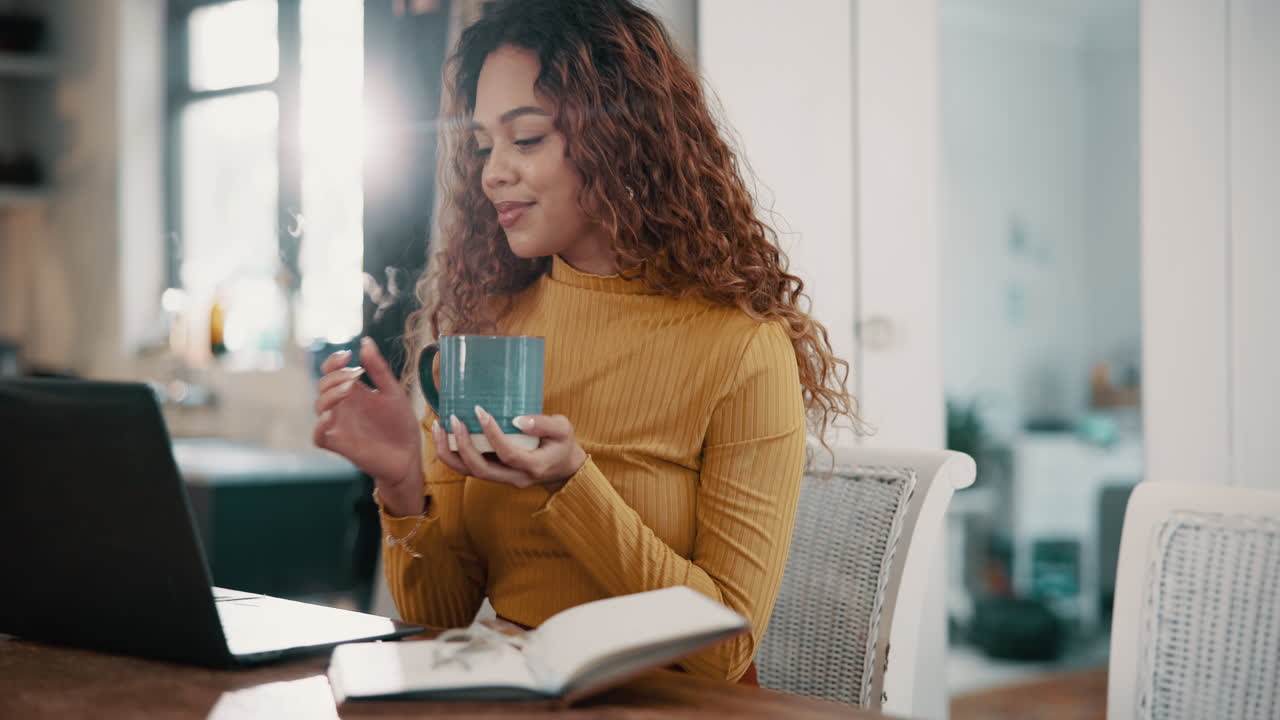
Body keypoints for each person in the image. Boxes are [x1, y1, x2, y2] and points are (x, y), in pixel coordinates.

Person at [313, 0, 856, 684]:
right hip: (512, 693)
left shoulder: (742, 348)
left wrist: (571, 485)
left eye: (528, 139)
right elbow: (444, 614)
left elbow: (722, 653)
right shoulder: (489, 322)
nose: (491, 173)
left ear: (622, 139)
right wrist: (401, 483)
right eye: (483, 145)